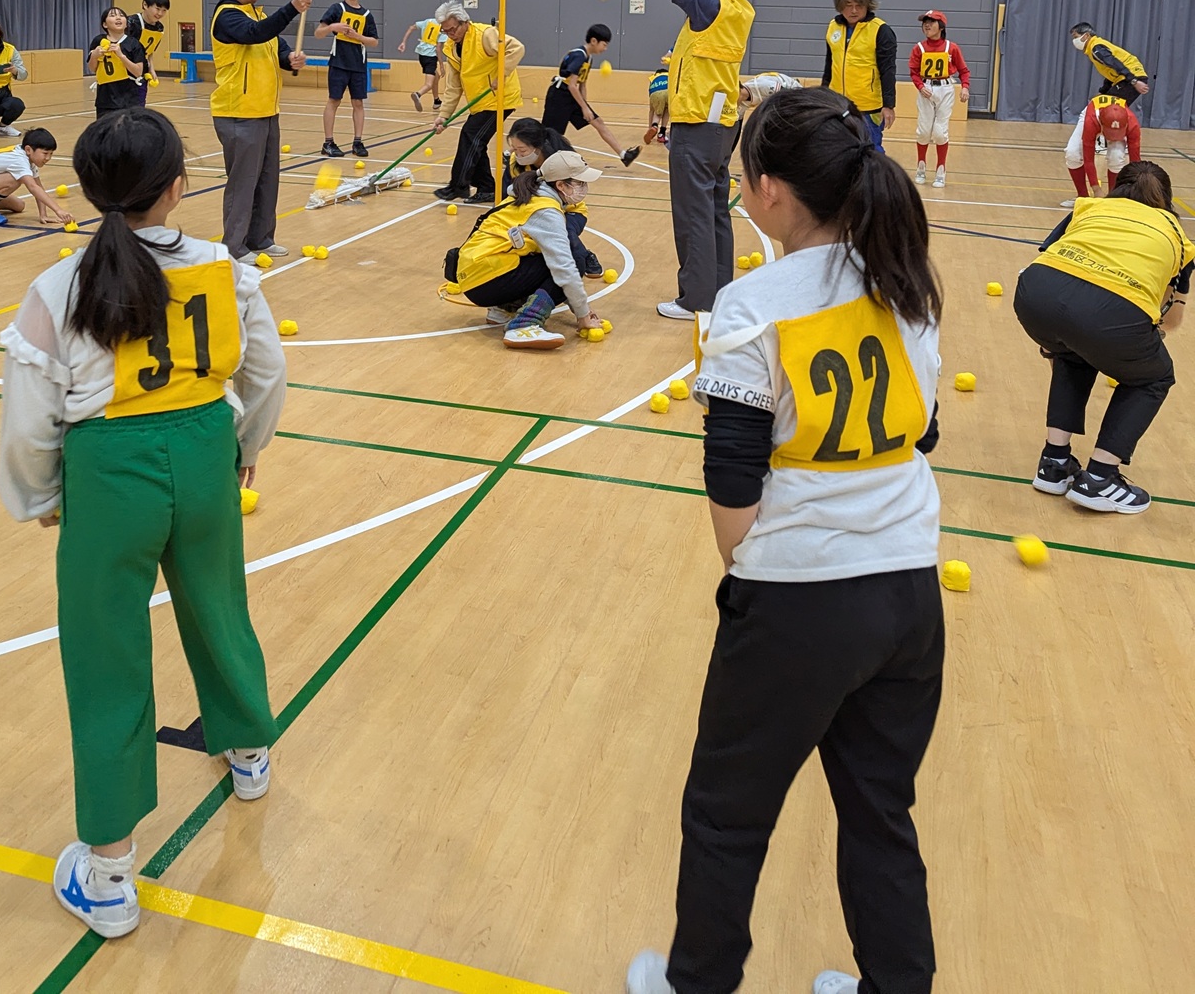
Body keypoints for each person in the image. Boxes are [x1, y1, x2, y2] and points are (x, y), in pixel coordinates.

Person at [625, 86, 944, 994]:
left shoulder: (751, 301)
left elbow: (732, 473)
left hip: (799, 598)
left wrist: (752, 579)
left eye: (741, 177)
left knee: (726, 814)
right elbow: (923, 432)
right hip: (909, 594)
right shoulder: (907, 281)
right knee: (881, 812)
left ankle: (697, 983)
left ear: (769, 190)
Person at [0, 108, 285, 940]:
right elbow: (267, 372)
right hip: (202, 452)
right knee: (220, 607)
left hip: (109, 473)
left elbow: (29, 421)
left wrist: (41, 497)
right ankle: (249, 752)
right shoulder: (225, 269)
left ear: (89, 191)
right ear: (179, 185)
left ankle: (111, 875)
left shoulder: (60, 285)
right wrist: (241, 449)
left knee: (107, 658)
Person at [1015, 159, 1191, 516]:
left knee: (1072, 352)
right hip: (1107, 311)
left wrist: (1057, 337)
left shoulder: (1090, 207)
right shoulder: (1177, 236)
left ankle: (1054, 463)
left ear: (1117, 187)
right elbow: (1172, 321)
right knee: (1155, 376)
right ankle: (1100, 478)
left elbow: (1054, 264)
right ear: (1167, 200)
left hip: (1034, 293)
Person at [616, 0, 757, 320]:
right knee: (714, 212)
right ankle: (717, 294)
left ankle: (694, 299)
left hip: (696, 125)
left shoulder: (711, 5)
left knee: (692, 213)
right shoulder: (737, 10)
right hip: (722, 125)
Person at [444, 149, 605, 350]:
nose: (584, 188)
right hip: (484, 280)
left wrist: (581, 309)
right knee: (575, 260)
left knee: (547, 258)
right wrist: (583, 315)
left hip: (475, 274)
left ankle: (503, 308)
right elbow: (565, 268)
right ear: (561, 185)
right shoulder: (545, 210)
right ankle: (524, 325)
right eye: (580, 183)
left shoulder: (531, 192)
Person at [210, 0, 309, 260]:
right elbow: (255, 33)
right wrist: (291, 9)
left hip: (266, 111)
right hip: (239, 112)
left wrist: (289, 58)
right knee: (243, 183)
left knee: (267, 180)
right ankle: (234, 246)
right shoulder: (227, 15)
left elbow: (275, 45)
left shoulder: (257, 15)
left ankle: (261, 238)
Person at [432, 1, 524, 206]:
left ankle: (458, 185)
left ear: (464, 22)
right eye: (445, 31)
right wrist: (444, 115)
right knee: (476, 142)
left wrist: (502, 75)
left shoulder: (485, 34)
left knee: (470, 135)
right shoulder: (450, 47)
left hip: (499, 99)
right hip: (479, 102)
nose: (450, 34)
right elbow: (454, 86)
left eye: (453, 29)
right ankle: (487, 188)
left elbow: (516, 48)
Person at [504, 118, 603, 276]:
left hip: (569, 210)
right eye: (514, 149)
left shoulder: (562, 161)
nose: (517, 154)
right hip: (537, 209)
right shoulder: (515, 163)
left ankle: (585, 255)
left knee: (562, 231)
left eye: (522, 150)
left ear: (537, 146)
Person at [542, 24, 641, 167]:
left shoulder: (588, 58)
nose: (605, 49)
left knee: (598, 121)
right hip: (559, 96)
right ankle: (524, 156)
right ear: (594, 41)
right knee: (549, 134)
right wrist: (584, 107)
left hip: (572, 96)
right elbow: (571, 85)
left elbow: (582, 84)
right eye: (604, 45)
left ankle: (624, 155)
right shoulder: (578, 55)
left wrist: (586, 106)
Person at [823, 0, 897, 150]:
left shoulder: (881, 30)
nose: (854, 10)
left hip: (868, 107)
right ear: (840, 6)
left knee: (870, 150)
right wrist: (824, 94)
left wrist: (888, 105)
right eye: (848, 5)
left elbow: (888, 70)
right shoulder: (833, 27)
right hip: (838, 103)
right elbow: (830, 64)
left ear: (868, 6)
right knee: (838, 149)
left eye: (859, 5)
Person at [315, 0, 378, 157]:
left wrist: (359, 37)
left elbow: (374, 42)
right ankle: (328, 142)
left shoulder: (367, 15)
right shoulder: (337, 9)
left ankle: (358, 142)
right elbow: (318, 33)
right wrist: (333, 27)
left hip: (358, 65)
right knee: (334, 100)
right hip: (339, 63)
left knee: (358, 102)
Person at [909, 11, 969, 187]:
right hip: (926, 89)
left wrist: (965, 87)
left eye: (931, 22)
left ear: (941, 27)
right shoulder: (919, 48)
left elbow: (963, 70)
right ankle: (921, 166)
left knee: (940, 132)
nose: (927, 25)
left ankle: (941, 170)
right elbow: (913, 72)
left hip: (945, 89)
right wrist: (920, 86)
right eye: (925, 22)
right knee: (923, 131)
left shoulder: (952, 48)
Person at [1063, 95, 1140, 204]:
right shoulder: (1091, 121)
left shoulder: (1133, 124)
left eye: (1117, 134)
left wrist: (1137, 190)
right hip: (1093, 114)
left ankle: (1113, 197)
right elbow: (1088, 159)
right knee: (1073, 153)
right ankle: (1082, 196)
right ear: (1101, 125)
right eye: (1111, 133)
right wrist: (1096, 189)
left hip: (1111, 119)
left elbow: (1135, 162)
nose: (1113, 137)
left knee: (1116, 156)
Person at [1070, 21, 1148, 105]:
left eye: (1075, 37)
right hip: (1126, 78)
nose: (1074, 41)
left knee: (1107, 107)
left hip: (1131, 76)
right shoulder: (1094, 47)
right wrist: (1103, 92)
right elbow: (1111, 71)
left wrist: (1134, 81)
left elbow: (1115, 64)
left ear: (1086, 35)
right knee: (1106, 106)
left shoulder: (1096, 48)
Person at [87, 7, 145, 116]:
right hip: (105, 99)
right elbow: (92, 68)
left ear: (126, 23)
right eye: (113, 16)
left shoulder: (134, 43)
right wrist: (94, 56)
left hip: (129, 98)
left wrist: (121, 56)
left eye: (121, 16)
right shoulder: (98, 41)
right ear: (105, 24)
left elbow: (138, 72)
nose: (118, 18)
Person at [126, 0, 170, 104]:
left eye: (164, 10)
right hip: (125, 71)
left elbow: (149, 51)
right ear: (145, 5)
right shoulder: (131, 23)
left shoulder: (159, 28)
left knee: (139, 105)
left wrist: (151, 69)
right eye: (157, 9)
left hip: (142, 71)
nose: (160, 13)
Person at [398, 15, 444, 112]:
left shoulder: (428, 21)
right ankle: (418, 94)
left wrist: (403, 42)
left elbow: (411, 27)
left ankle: (436, 100)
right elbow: (438, 48)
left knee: (436, 76)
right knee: (429, 84)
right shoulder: (443, 28)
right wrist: (441, 65)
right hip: (430, 57)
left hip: (421, 55)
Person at [645, 56, 670, 147]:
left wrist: (649, 128)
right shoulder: (669, 75)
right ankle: (661, 134)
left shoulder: (653, 78)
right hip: (668, 91)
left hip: (655, 93)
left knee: (657, 112)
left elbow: (651, 110)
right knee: (667, 110)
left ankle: (654, 126)